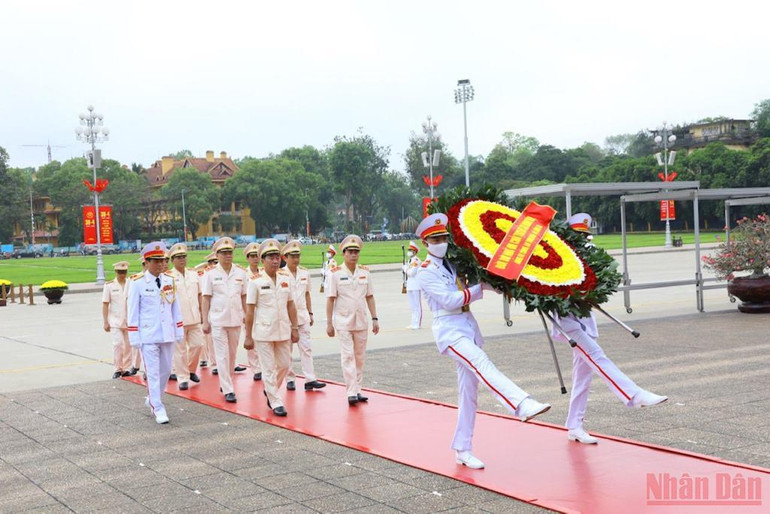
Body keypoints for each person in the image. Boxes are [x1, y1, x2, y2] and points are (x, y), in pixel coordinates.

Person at [415, 213, 551, 470]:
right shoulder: (424, 272)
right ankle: (520, 404)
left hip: (467, 327)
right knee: (481, 362)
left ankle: (462, 449)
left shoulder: (454, 264)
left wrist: (500, 284)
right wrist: (481, 288)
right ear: (426, 243)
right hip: (449, 330)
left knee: (469, 393)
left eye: (444, 237)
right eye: (436, 239)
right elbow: (451, 300)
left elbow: (480, 282)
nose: (442, 242)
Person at [553, 213, 668, 445]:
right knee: (597, 357)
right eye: (577, 235)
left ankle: (574, 425)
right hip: (566, 322)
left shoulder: (585, 256)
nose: (582, 240)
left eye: (584, 235)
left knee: (582, 378)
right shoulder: (556, 257)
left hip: (585, 321)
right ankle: (634, 395)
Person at [127, 242, 184, 424]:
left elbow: (175, 307)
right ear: (147, 261)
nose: (161, 264)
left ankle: (153, 398)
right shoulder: (137, 283)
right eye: (157, 261)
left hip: (167, 333)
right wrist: (134, 336)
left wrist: (179, 328)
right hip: (148, 335)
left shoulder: (169, 280)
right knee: (152, 372)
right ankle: (158, 407)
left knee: (166, 371)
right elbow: (132, 311)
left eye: (163, 261)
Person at [243, 239, 300, 416]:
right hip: (263, 331)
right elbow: (250, 310)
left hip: (283, 329)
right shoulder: (255, 281)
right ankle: (275, 401)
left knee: (284, 364)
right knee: (268, 367)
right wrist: (248, 335)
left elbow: (291, 305)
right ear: (262, 260)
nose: (275, 261)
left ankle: (270, 390)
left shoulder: (285, 279)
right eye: (271, 258)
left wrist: (295, 327)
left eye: (277, 257)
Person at [325, 235, 379, 406]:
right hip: (343, 320)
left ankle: (357, 389)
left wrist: (375, 318)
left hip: (361, 320)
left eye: (356, 252)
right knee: (348, 356)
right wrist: (329, 322)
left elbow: (370, 297)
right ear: (343, 253)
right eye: (350, 252)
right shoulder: (335, 274)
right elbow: (330, 299)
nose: (354, 255)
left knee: (359, 357)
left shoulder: (365, 272)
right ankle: (351, 391)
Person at [201, 237, 248, 403]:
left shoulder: (241, 273)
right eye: (224, 253)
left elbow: (244, 297)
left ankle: (226, 381)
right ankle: (228, 389)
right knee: (222, 356)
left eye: (230, 252)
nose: (228, 255)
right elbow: (205, 298)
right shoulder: (211, 275)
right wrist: (205, 321)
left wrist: (248, 318)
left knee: (232, 356)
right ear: (217, 255)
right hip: (218, 320)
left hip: (235, 319)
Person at [282, 240, 326, 391]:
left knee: (306, 348)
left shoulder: (304, 273)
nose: (296, 259)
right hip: (286, 318)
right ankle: (289, 378)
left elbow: (307, 294)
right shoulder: (280, 274)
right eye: (292, 256)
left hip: (302, 316)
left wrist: (310, 312)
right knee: (287, 350)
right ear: (285, 257)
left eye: (297, 256)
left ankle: (310, 378)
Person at [167, 243, 205, 391]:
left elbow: (200, 295)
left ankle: (190, 370)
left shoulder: (193, 274)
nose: (182, 259)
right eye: (178, 257)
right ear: (172, 260)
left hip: (195, 317)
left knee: (198, 345)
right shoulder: (168, 277)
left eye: (184, 256)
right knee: (180, 350)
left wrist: (202, 313)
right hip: (178, 321)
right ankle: (182, 378)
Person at [102, 261, 131, 379]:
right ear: (115, 272)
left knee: (129, 345)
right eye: (120, 272)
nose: (122, 275)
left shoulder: (131, 283)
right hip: (115, 320)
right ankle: (118, 368)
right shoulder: (109, 286)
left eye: (124, 272)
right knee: (118, 344)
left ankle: (127, 368)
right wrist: (105, 321)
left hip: (129, 320)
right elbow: (105, 304)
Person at [243, 242, 263, 382]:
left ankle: (263, 365)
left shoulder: (264, 272)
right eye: (252, 256)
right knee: (250, 338)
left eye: (257, 256)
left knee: (262, 338)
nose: (255, 258)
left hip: (262, 309)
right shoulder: (244, 274)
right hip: (249, 309)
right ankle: (255, 368)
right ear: (248, 258)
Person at [196, 252, 218, 370]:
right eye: (214, 262)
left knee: (214, 339)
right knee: (206, 338)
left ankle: (216, 363)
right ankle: (209, 361)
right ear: (209, 263)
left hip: (218, 310)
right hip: (206, 309)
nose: (216, 264)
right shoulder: (203, 275)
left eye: (217, 262)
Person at [403, 240, 423, 329]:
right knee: (412, 306)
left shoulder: (416, 260)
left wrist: (405, 269)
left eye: (411, 250)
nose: (409, 252)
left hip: (416, 285)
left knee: (417, 305)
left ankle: (417, 323)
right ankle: (413, 322)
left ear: (415, 252)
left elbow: (411, 273)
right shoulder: (409, 260)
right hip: (410, 285)